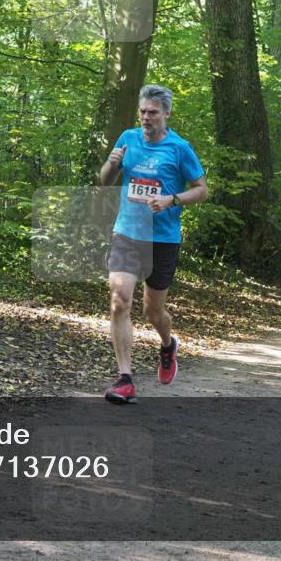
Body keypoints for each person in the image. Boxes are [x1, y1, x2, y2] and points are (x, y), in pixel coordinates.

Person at [98, 85, 208, 404]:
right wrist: (112, 164)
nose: (146, 117)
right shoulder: (127, 138)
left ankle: (167, 344)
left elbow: (201, 189)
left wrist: (172, 199)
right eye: (143, 111)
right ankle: (125, 379)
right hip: (127, 232)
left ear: (167, 114)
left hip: (162, 238)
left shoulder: (179, 148)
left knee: (153, 311)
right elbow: (104, 181)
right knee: (119, 300)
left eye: (153, 112)